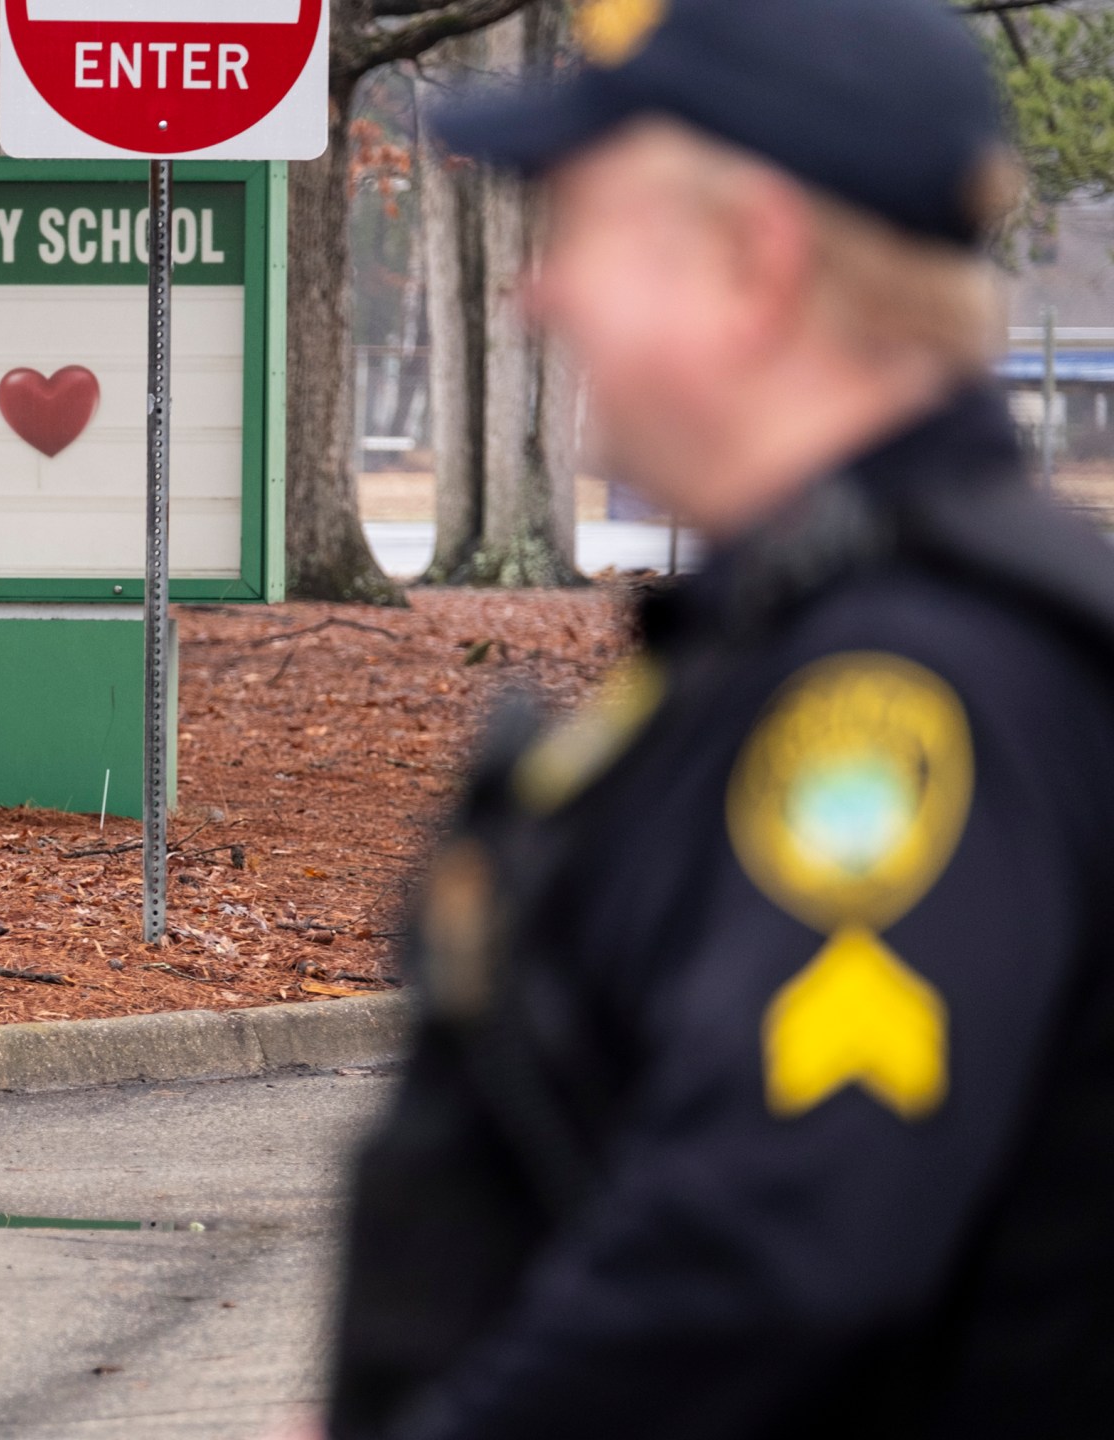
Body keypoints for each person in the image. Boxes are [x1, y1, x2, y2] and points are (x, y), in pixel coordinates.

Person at [326, 0, 1114, 1435]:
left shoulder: (908, 689)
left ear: (757, 260)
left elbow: (773, 1251)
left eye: (584, 232)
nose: (538, 296)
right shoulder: (806, 631)